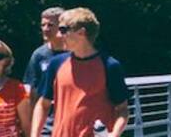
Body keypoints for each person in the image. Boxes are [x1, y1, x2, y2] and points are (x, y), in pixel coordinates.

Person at [29, 8, 129, 137]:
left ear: (81, 32)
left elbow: (122, 110)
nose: (59, 35)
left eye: (63, 30)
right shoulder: (56, 64)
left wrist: (114, 134)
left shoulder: (109, 66)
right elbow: (43, 104)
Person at [24, 7, 66, 137]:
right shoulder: (39, 55)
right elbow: (32, 93)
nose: (45, 29)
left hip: (69, 122)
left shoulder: (75, 53)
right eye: (43, 25)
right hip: (45, 125)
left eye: (50, 25)